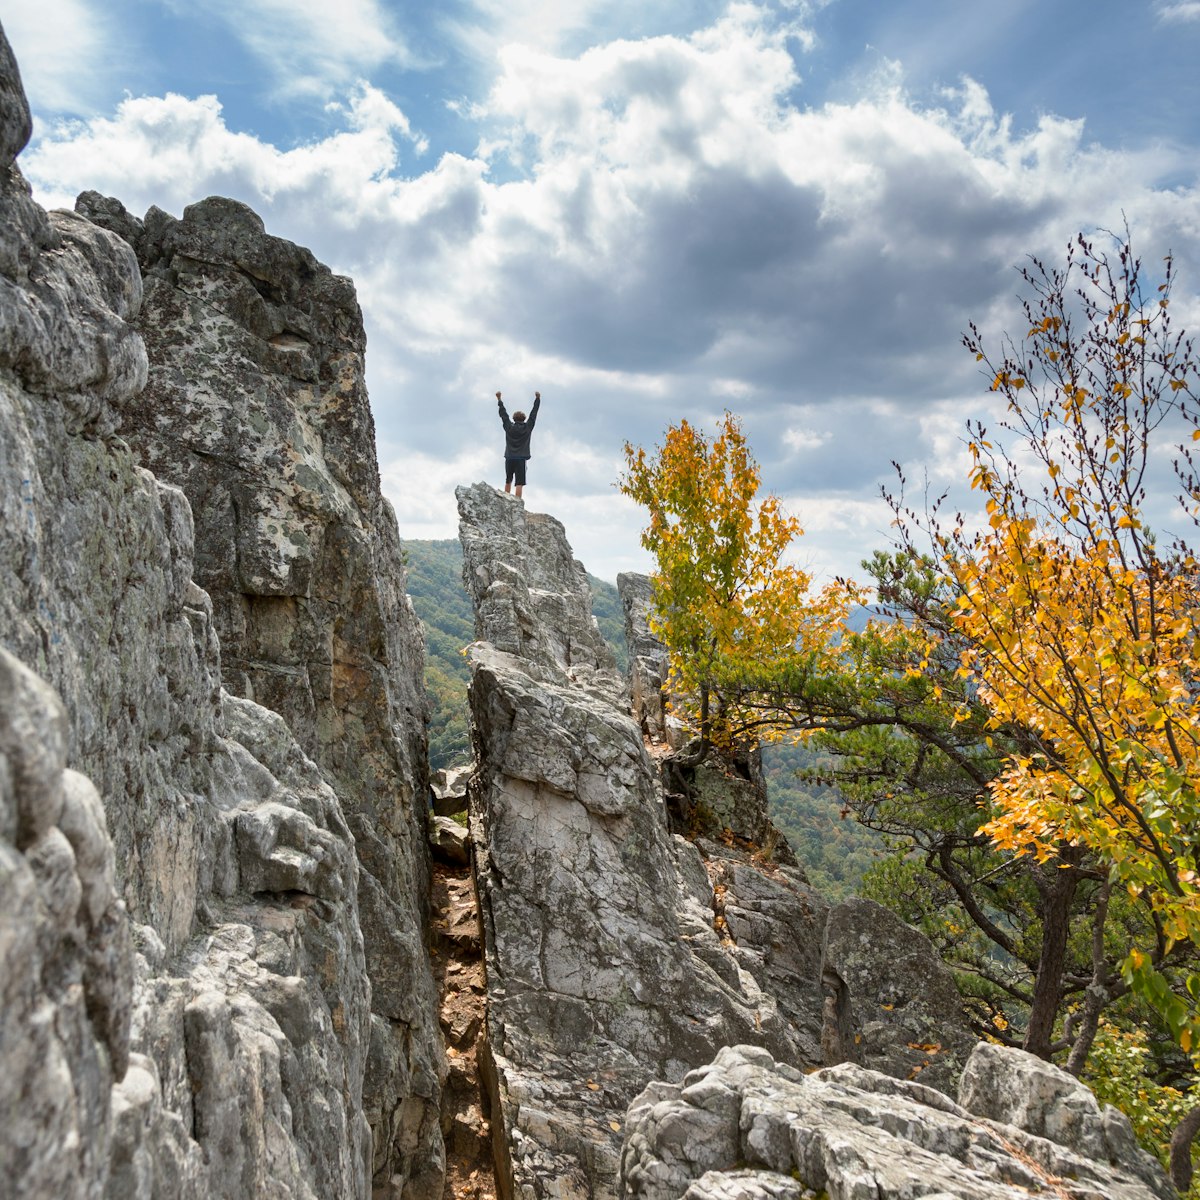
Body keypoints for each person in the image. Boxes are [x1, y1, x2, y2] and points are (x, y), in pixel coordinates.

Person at [496, 390, 541, 498]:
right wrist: (537, 399)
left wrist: (499, 400)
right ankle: (517, 503)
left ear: (514, 419)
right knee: (519, 483)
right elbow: (533, 414)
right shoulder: (527, 427)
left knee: (508, 480)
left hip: (510, 457)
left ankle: (505, 500)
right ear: (524, 419)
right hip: (521, 458)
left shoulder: (509, 427)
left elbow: (503, 415)